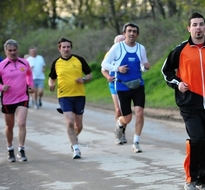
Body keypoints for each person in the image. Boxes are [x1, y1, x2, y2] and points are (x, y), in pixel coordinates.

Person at [161, 12, 205, 190]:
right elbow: (166, 71)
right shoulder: (180, 50)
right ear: (189, 28)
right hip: (189, 103)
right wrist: (178, 84)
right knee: (197, 139)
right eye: (195, 25)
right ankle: (191, 177)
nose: (198, 28)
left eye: (201, 25)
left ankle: (203, 181)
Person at [101, 23, 150, 153]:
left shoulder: (141, 48)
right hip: (122, 86)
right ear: (124, 33)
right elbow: (104, 64)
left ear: (137, 34)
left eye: (134, 31)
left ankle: (136, 142)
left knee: (140, 113)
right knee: (127, 118)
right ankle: (120, 123)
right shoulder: (117, 47)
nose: (132, 33)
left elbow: (142, 66)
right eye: (129, 31)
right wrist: (118, 69)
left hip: (138, 85)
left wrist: (145, 67)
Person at [48, 37, 92, 159]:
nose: (66, 49)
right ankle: (76, 148)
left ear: (71, 48)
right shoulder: (56, 63)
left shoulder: (79, 60)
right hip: (64, 95)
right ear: (59, 48)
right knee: (70, 121)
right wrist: (51, 84)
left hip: (79, 95)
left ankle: (74, 138)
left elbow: (89, 75)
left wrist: (83, 79)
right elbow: (51, 77)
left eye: (68, 47)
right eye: (64, 47)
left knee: (79, 126)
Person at [0, 39, 35, 162]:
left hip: (22, 97)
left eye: (15, 50)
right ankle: (10, 149)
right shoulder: (1, 65)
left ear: (18, 50)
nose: (13, 53)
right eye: (10, 50)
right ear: (6, 51)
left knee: (22, 123)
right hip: (7, 99)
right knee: (9, 126)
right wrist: (1, 87)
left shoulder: (24, 63)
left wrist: (30, 85)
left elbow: (29, 75)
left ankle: (21, 150)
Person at [101, 34, 128, 144]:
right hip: (114, 83)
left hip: (125, 84)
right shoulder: (110, 54)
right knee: (118, 109)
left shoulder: (128, 52)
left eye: (123, 41)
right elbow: (103, 69)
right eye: (119, 41)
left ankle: (123, 131)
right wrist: (108, 77)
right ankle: (118, 133)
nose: (121, 43)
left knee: (125, 111)